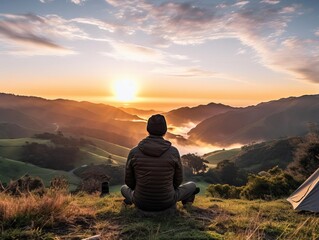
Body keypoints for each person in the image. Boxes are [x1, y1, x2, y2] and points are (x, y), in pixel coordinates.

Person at [121, 114, 200, 212]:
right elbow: (177, 182)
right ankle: (187, 204)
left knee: (123, 188)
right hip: (167, 201)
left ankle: (130, 201)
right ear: (165, 130)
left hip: (140, 201)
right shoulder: (173, 152)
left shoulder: (134, 152)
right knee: (192, 185)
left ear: (148, 129)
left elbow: (129, 182)